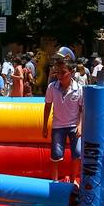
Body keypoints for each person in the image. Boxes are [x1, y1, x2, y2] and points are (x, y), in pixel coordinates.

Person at [42, 53, 84, 182]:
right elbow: (47, 106)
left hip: (73, 125)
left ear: (71, 72)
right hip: (58, 125)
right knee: (56, 155)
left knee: (77, 153)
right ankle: (54, 180)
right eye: (58, 73)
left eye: (63, 73)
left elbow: (82, 109)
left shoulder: (79, 89)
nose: (59, 76)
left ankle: (73, 179)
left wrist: (80, 125)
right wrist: (45, 126)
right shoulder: (52, 87)